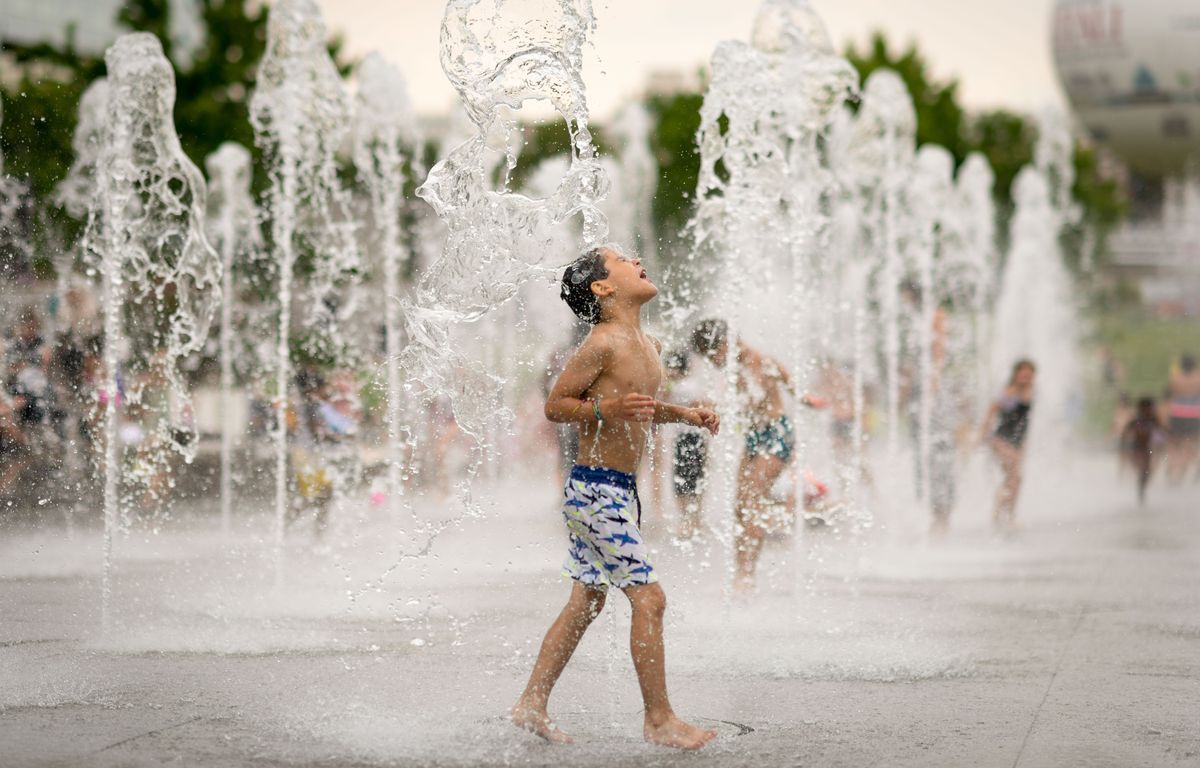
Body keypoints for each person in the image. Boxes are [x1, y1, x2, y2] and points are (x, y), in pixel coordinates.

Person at [511, 245, 720, 750]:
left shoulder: (643, 341)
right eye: (624, 259)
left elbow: (639, 407)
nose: (638, 259)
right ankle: (660, 719)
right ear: (603, 288)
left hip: (617, 490)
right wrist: (605, 407)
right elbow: (557, 406)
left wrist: (686, 416)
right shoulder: (601, 343)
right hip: (596, 489)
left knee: (587, 601)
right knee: (649, 597)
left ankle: (530, 705)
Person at [690, 319, 825, 591]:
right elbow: (794, 393)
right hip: (756, 437)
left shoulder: (757, 363)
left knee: (752, 502)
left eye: (712, 355)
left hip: (776, 436)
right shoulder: (739, 364)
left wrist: (714, 406)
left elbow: (758, 398)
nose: (713, 362)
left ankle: (746, 576)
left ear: (725, 344)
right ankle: (742, 571)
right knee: (741, 504)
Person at [980, 360, 1035, 534]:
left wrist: (1024, 443)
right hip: (1001, 439)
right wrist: (985, 433)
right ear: (1016, 374)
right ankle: (1004, 516)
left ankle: (1003, 514)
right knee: (1013, 476)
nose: (1026, 377)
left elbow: (1024, 422)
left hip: (1016, 442)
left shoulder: (1031, 392)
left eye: (1029, 374)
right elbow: (992, 410)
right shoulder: (1010, 392)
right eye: (1023, 373)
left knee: (1015, 479)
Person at [662, 349, 711, 541]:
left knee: (681, 478)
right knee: (698, 477)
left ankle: (686, 520)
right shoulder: (692, 384)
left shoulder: (680, 386)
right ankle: (695, 520)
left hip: (685, 437)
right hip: (697, 437)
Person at [1120, 397, 1166, 505]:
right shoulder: (1136, 420)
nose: (1151, 410)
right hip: (1135, 449)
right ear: (1142, 408)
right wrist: (1123, 448)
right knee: (1143, 471)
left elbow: (1163, 431)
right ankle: (1140, 494)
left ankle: (1141, 492)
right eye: (1149, 408)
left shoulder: (1153, 419)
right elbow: (1125, 434)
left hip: (1146, 449)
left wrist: (1166, 441)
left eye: (1152, 408)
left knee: (1146, 472)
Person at [1165, 354, 1200, 484]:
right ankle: (1191, 467)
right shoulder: (1198, 377)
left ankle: (1175, 473)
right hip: (1195, 414)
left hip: (1178, 413)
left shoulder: (1174, 378)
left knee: (1175, 444)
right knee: (1191, 443)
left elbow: (1171, 394)